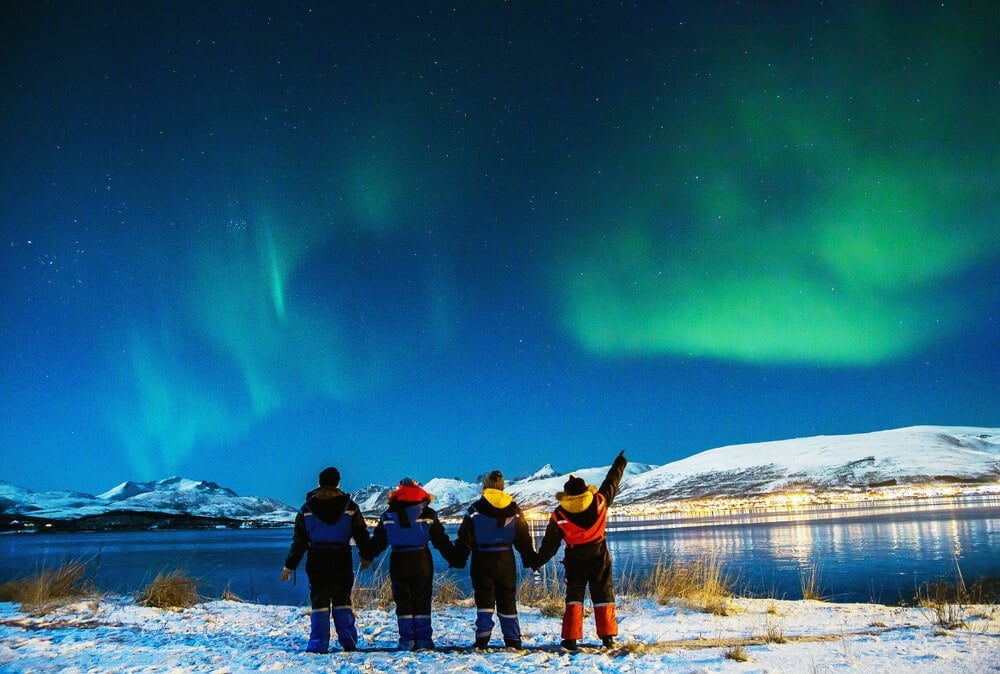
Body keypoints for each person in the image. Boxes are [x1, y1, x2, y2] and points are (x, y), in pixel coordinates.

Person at [533, 450, 628, 650]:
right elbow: (611, 482)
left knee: (574, 597)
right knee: (603, 593)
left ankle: (570, 638)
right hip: (599, 554)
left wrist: (535, 561)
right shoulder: (599, 501)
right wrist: (619, 463)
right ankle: (607, 636)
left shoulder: (559, 514)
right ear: (585, 490)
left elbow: (550, 546)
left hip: (575, 558)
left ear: (567, 495)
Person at [280, 467, 371, 653]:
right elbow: (362, 535)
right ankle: (349, 642)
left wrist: (289, 566)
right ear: (338, 483)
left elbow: (299, 542)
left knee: (319, 602)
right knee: (343, 600)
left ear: (319, 483)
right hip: (341, 558)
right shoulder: (351, 507)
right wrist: (367, 556)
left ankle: (318, 644)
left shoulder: (306, 510)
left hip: (317, 560)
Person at [361, 478, 457, 651]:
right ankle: (424, 641)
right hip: (422, 559)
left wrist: (367, 555)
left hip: (399, 560)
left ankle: (407, 641)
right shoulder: (428, 514)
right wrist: (455, 558)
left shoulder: (388, 515)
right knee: (422, 600)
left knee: (403, 601)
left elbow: (378, 542)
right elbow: (440, 540)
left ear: (399, 492)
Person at [453, 470, 537, 649]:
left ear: (485, 487)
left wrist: (458, 559)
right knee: (507, 599)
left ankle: (482, 639)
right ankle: (513, 640)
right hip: (506, 559)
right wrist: (530, 558)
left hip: (482, 560)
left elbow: (464, 539)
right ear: (502, 487)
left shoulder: (474, 510)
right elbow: (523, 539)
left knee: (484, 601)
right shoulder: (514, 510)